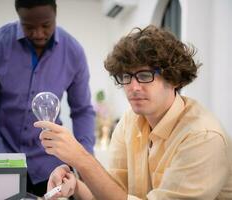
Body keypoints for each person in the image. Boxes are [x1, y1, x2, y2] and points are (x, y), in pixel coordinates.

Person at [34, 25, 232, 199]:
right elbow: (110, 193)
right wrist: (74, 184)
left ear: (174, 78)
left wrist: (82, 159)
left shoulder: (202, 137)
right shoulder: (131, 121)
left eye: (144, 75)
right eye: (126, 76)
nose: (133, 87)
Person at [0, 0, 95, 197]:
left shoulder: (73, 51)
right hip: (4, 160)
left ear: (55, 14)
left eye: (46, 25)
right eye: (29, 27)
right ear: (19, 16)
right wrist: (3, 161)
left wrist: (84, 160)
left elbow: (82, 110)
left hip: (52, 167)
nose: (38, 33)